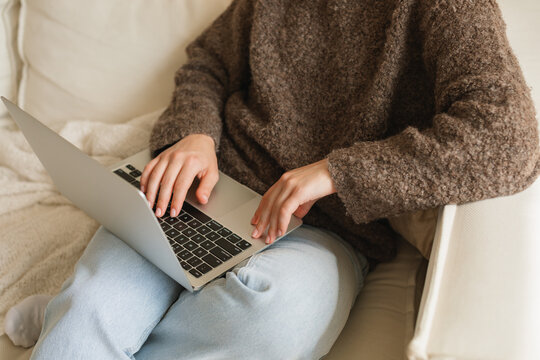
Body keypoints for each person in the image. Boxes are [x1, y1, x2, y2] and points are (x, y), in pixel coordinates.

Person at [6, 0, 539, 358]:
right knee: (94, 308)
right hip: (200, 196)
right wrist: (194, 134)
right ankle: (75, 320)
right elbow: (208, 65)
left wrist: (339, 171)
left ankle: (72, 323)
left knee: (272, 318)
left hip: (330, 231)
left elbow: (511, 138)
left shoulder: (446, 8)